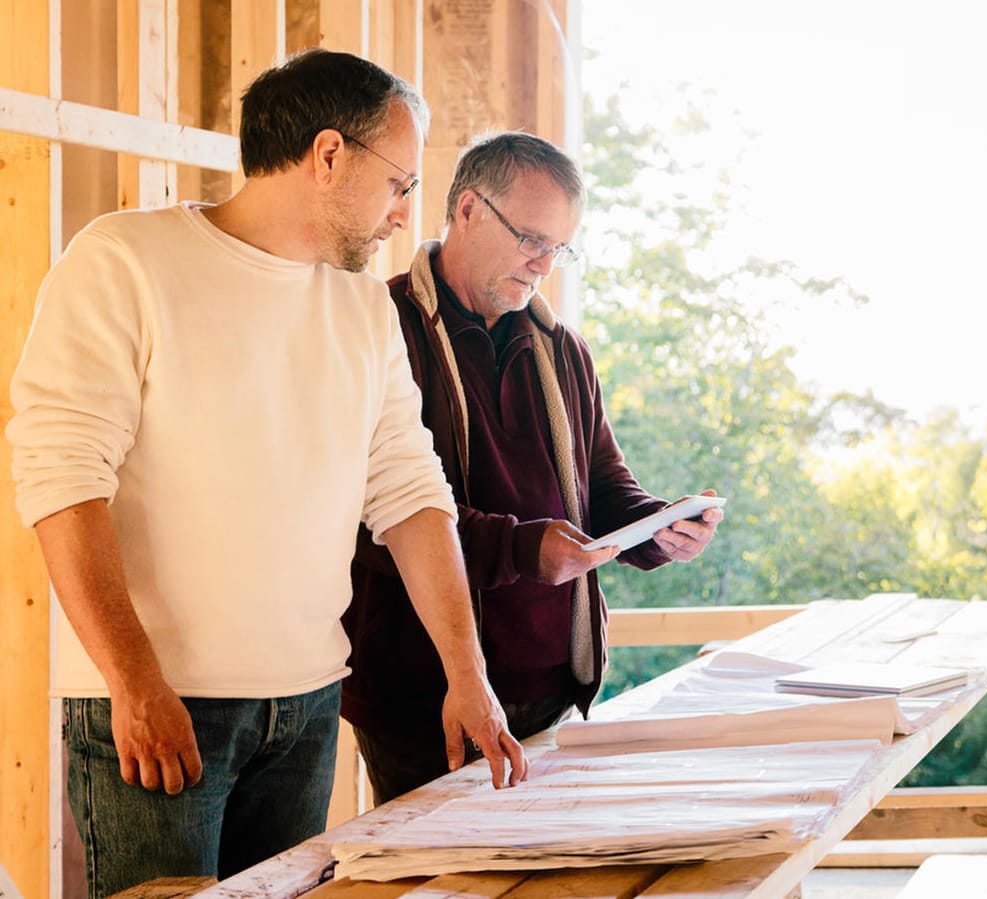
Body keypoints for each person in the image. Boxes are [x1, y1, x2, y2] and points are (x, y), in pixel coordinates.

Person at [6, 49, 525, 899]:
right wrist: (133, 679)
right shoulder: (124, 261)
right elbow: (61, 478)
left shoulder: (361, 305)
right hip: (158, 702)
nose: (406, 213)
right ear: (328, 156)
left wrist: (466, 673)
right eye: (399, 182)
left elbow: (410, 490)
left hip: (309, 706)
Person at [341, 131, 723, 804]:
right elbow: (370, 513)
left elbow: (601, 487)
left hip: (554, 687)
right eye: (531, 239)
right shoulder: (381, 328)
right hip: (424, 695)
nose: (545, 264)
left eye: (559, 247)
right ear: (467, 211)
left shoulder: (562, 348)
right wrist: (523, 547)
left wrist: (655, 526)